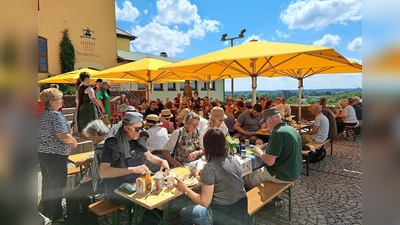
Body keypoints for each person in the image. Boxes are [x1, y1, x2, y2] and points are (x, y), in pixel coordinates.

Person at [99, 112, 170, 225]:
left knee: (163, 203)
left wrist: (162, 161)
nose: (140, 131)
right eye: (137, 129)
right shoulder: (113, 144)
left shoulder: (138, 138)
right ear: (126, 128)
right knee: (158, 204)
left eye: (142, 127)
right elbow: (103, 172)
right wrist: (134, 169)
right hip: (117, 188)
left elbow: (150, 157)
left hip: (137, 184)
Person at [177, 128, 252, 225]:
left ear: (207, 146)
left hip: (222, 216)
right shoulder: (233, 159)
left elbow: (204, 202)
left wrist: (185, 189)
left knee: (185, 212)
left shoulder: (210, 167)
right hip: (240, 211)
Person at [38, 88, 78, 222]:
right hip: (55, 155)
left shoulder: (43, 114)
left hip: (43, 153)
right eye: (59, 99)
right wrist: (73, 140)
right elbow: (62, 135)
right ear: (51, 102)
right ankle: (57, 214)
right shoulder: (56, 115)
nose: (62, 101)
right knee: (57, 185)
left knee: (47, 183)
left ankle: (47, 211)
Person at [243, 107, 302, 190]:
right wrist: (269, 145)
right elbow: (285, 146)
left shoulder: (277, 133)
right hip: (295, 171)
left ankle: (262, 199)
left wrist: (259, 152)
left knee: (246, 176)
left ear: (270, 119)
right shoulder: (291, 129)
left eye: (265, 121)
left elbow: (270, 162)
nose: (265, 124)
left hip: (281, 174)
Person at [65, 120, 108, 225]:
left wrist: (83, 181)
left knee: (70, 195)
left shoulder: (101, 147)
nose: (90, 139)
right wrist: (88, 159)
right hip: (109, 180)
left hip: (102, 182)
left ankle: (73, 221)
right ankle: (86, 213)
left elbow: (96, 173)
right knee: (79, 188)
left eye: (91, 137)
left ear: (95, 133)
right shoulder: (109, 141)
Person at [76, 72, 103, 138]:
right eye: (89, 78)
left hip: (81, 107)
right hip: (89, 108)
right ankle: (91, 140)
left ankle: (83, 139)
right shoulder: (89, 88)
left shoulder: (78, 88)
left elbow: (76, 100)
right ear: (86, 78)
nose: (90, 79)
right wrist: (98, 106)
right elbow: (93, 99)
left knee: (82, 124)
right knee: (90, 124)